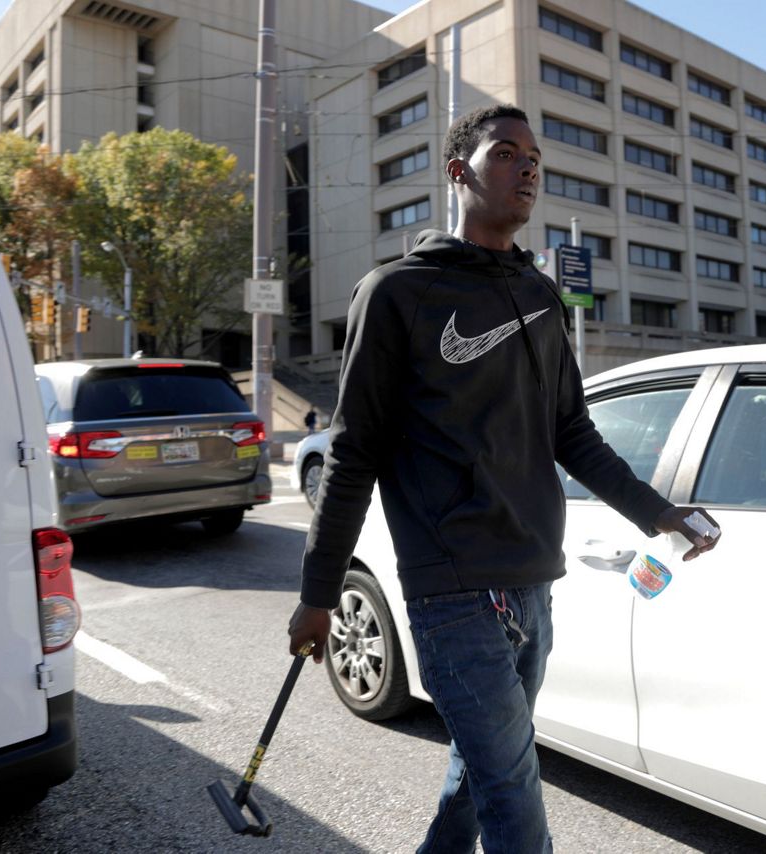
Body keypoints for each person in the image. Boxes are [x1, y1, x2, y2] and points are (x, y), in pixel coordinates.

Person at [288, 103, 720, 853]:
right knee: (514, 786)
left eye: (534, 158)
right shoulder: (397, 293)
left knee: (482, 771)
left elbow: (572, 434)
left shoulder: (539, 296)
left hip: (531, 579)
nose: (527, 169)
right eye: (507, 154)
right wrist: (319, 594)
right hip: (451, 588)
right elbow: (354, 451)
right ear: (460, 172)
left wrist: (658, 514)